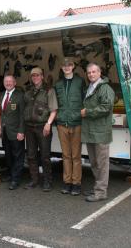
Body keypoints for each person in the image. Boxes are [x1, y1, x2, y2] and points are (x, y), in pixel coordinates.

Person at [81, 63, 115, 202]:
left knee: (102, 163)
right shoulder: (91, 87)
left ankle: (101, 192)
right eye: (89, 72)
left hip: (101, 132)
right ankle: (98, 187)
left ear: (99, 73)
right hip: (91, 132)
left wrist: (87, 112)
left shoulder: (105, 88)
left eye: (94, 72)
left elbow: (106, 107)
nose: (91, 74)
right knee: (94, 162)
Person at [54, 58, 86, 196]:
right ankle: (67, 183)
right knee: (66, 155)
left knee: (76, 156)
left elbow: (85, 99)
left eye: (69, 65)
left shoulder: (80, 82)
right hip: (62, 123)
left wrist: (82, 114)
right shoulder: (58, 84)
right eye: (64, 65)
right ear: (61, 68)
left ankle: (76, 183)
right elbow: (55, 104)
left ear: (73, 67)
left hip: (77, 123)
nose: (67, 67)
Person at [23, 67, 58, 192]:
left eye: (37, 75)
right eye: (33, 76)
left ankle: (47, 181)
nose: (35, 77)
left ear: (42, 76)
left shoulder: (49, 90)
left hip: (43, 127)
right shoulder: (28, 91)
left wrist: (48, 123)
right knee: (31, 155)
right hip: (29, 127)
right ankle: (34, 179)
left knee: (45, 156)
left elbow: (54, 110)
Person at [0, 74, 25, 190]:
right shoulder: (1, 95)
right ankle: (11, 174)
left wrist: (21, 131)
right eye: (6, 81)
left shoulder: (20, 96)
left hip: (16, 132)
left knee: (18, 156)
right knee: (8, 154)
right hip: (5, 131)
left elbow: (22, 115)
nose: (8, 83)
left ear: (15, 83)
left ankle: (16, 179)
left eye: (10, 81)